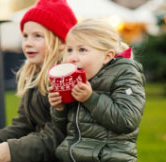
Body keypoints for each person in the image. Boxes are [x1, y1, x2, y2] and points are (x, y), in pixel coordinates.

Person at [0, 0, 77, 162]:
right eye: (25, 36)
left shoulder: (64, 81)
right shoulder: (33, 75)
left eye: (37, 36)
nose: (28, 42)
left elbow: (58, 136)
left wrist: (11, 150)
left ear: (62, 43)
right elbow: (23, 123)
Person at [48, 19, 146, 162]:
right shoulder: (81, 79)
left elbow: (127, 121)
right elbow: (63, 129)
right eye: (69, 50)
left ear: (107, 56)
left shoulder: (126, 75)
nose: (72, 57)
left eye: (82, 50)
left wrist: (90, 99)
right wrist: (59, 108)